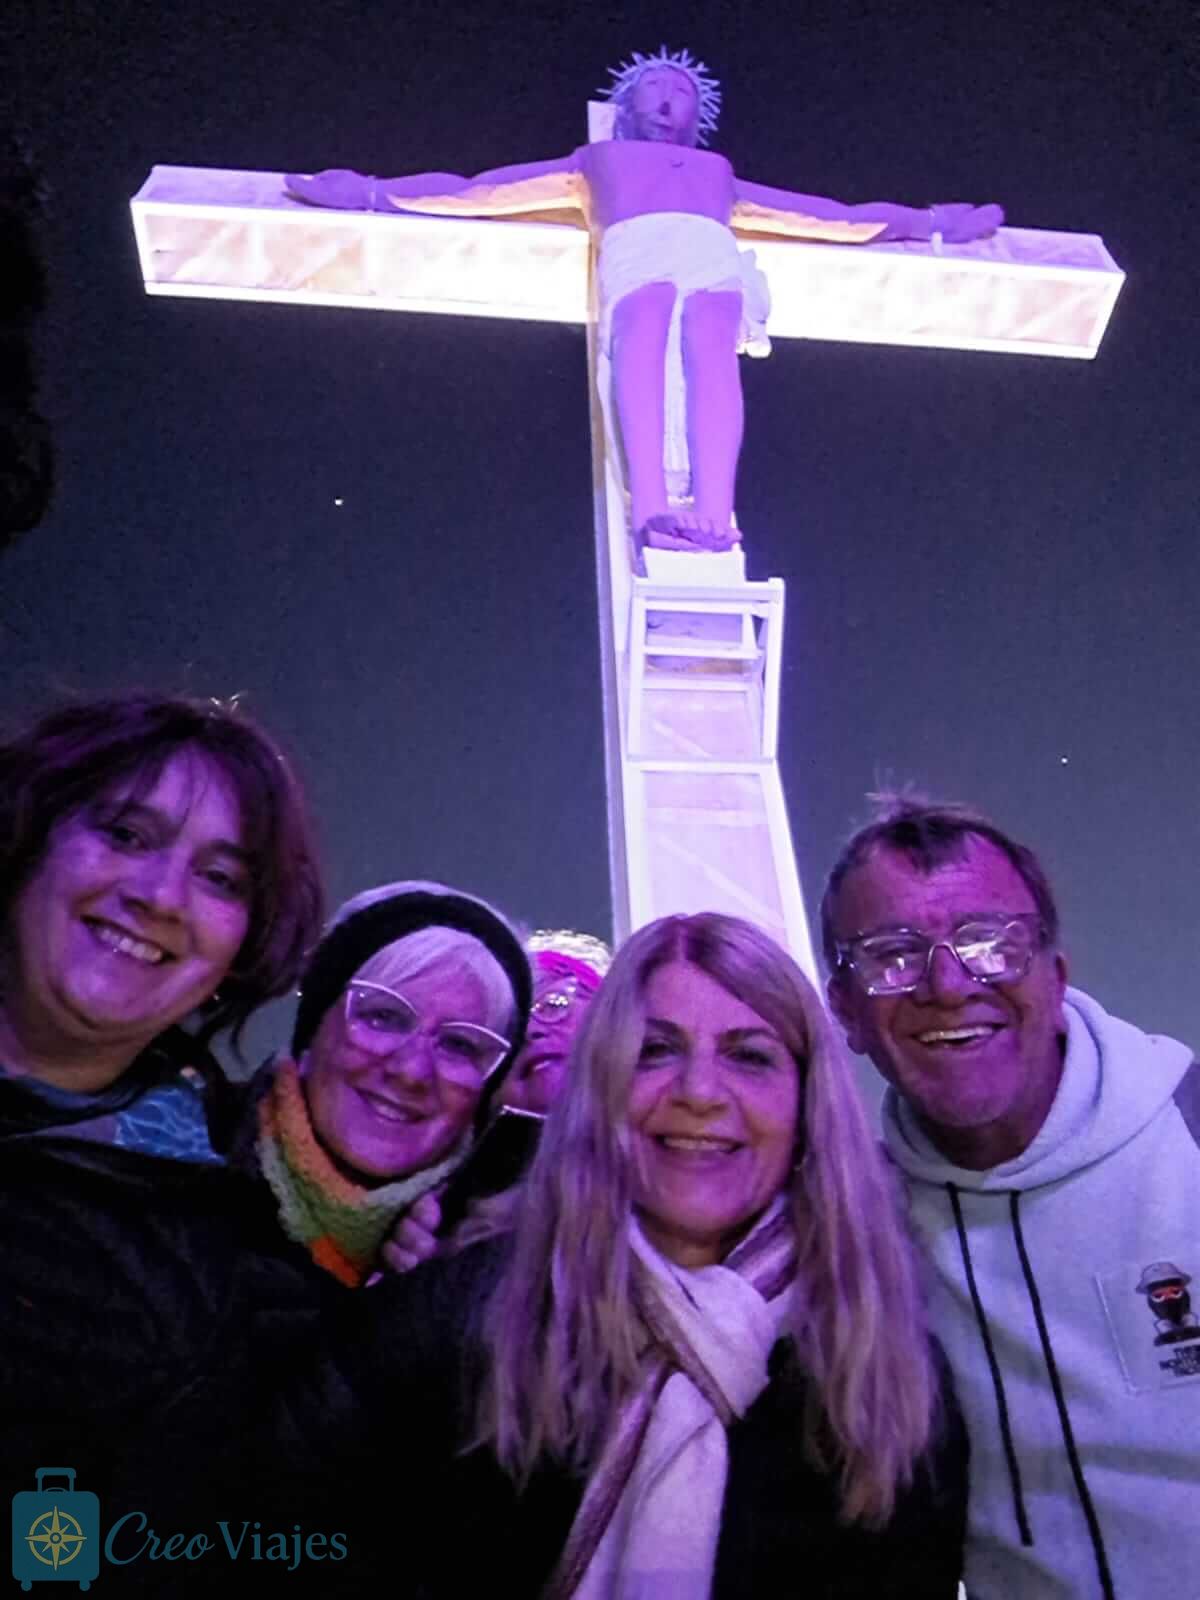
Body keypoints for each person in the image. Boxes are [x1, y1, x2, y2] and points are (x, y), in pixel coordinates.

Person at [276, 911, 966, 1595]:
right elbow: (273, 1533)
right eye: (654, 1050)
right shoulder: (457, 1313)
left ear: (808, 1105)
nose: (698, 1093)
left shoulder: (885, 1374)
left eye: (749, 1056)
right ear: (601, 1086)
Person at [285, 47, 1002, 555]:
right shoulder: (595, 161)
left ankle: (716, 510)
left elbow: (829, 215)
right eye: (653, 87)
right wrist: (374, 192)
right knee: (644, 322)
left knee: (713, 340)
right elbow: (481, 189)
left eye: (680, 90)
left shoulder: (718, 172)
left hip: (707, 253)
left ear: (700, 109)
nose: (666, 100)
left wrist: (930, 223)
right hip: (638, 251)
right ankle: (652, 507)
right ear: (625, 106)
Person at [820, 796, 1200, 1600]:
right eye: (892, 956)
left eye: (990, 942)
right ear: (844, 1010)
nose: (950, 985)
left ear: (1055, 975)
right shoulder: (862, 1236)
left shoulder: (1192, 1136)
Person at [0, 692, 323, 1158]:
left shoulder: (221, 1191)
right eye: (126, 835)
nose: (161, 898)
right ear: (27, 835)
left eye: (219, 878)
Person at [228, 879, 533, 1285]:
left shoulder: (514, 1261)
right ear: (314, 1028)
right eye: (383, 1017)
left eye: (459, 1045)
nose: (411, 1071)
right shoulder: (181, 1157)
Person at [384, 925, 610, 1271]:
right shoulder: (437, 1223)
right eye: (509, 1031)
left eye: (553, 1004)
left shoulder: (674, 1165)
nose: (531, 1032)